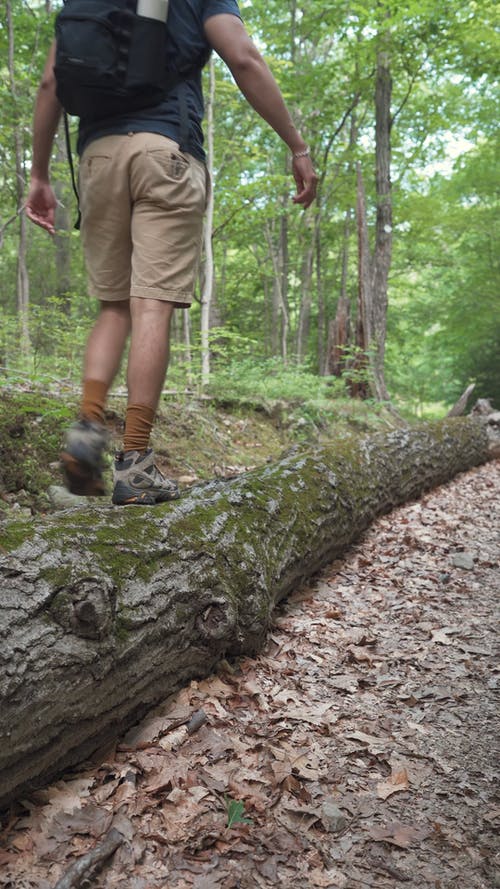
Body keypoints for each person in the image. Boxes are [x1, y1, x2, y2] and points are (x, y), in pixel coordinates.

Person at [26, 0, 318, 506]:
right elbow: (243, 57)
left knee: (114, 306)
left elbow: (52, 82)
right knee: (152, 303)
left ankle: (88, 426)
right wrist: (297, 146)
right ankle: (135, 464)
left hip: (97, 156)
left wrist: (39, 174)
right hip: (167, 150)